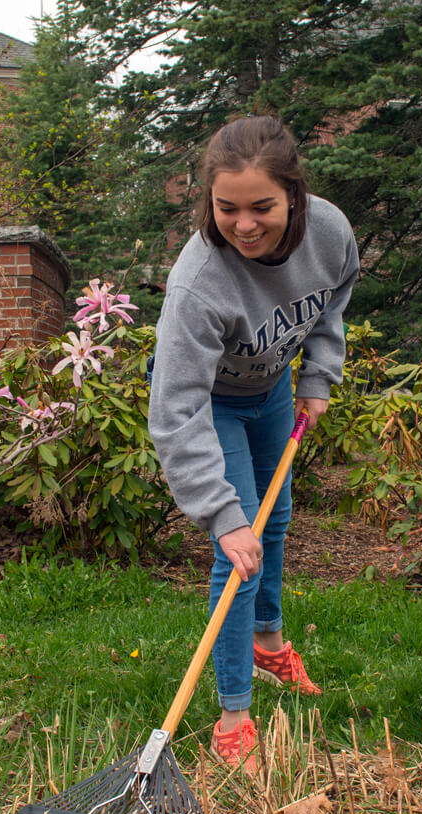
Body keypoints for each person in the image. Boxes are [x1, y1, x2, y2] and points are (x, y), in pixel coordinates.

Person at [149, 115, 359, 770]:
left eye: (261, 207)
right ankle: (234, 712)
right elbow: (176, 407)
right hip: (208, 401)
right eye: (227, 208)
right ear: (210, 203)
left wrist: (319, 377)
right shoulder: (199, 284)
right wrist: (218, 511)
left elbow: (330, 303)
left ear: (293, 195)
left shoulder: (329, 232)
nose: (244, 225)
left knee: (276, 522)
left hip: (270, 391)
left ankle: (269, 644)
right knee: (238, 547)